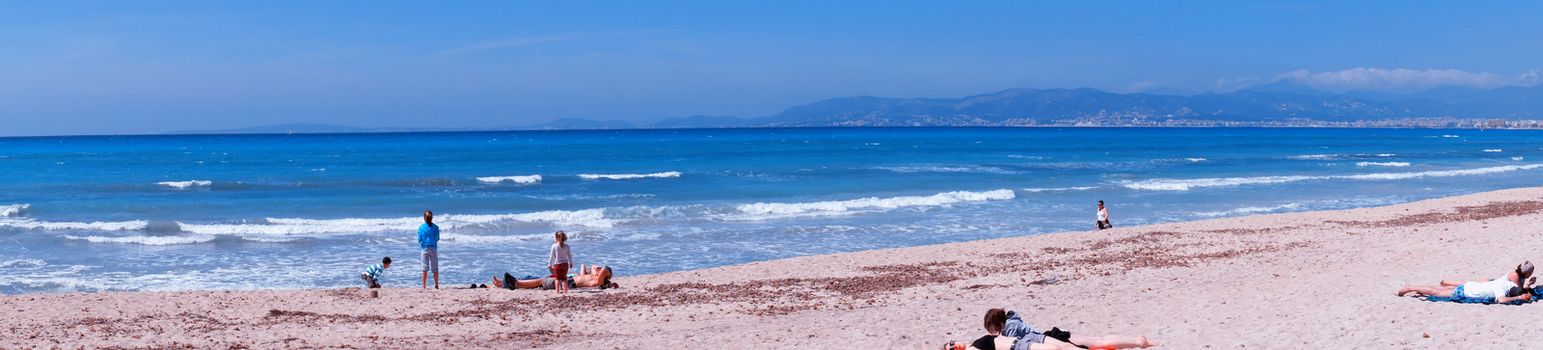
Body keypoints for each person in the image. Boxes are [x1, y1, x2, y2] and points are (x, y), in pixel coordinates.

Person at [944, 308, 1156, 350]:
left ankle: (1139, 342)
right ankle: (1138, 341)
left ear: (996, 325)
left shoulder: (1010, 329)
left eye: (992, 329)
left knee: (1099, 343)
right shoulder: (1014, 322)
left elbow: (1025, 343)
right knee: (1099, 341)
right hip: (1054, 335)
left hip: (1051, 339)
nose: (992, 333)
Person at [1396, 261, 1533, 303]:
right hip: (1466, 291)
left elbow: (1516, 289)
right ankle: (1410, 287)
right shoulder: (1504, 288)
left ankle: (1418, 288)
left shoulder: (1507, 285)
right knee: (1436, 292)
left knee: (1439, 289)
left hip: (1472, 286)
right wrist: (1519, 297)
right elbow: (1502, 300)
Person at [487, 265, 618, 290]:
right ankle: (511, 283)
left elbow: (604, 270)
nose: (598, 270)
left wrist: (606, 272)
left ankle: (514, 283)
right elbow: (592, 266)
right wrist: (599, 269)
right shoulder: (593, 277)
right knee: (539, 281)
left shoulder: (597, 281)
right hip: (568, 281)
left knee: (540, 281)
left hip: (568, 283)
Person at [418, 210, 441, 289]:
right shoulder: (436, 227)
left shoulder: (421, 228)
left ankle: (424, 286)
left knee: (424, 268)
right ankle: (436, 285)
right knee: (435, 268)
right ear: (432, 218)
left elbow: (419, 239)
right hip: (433, 248)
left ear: (424, 218)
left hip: (424, 248)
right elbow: (437, 238)